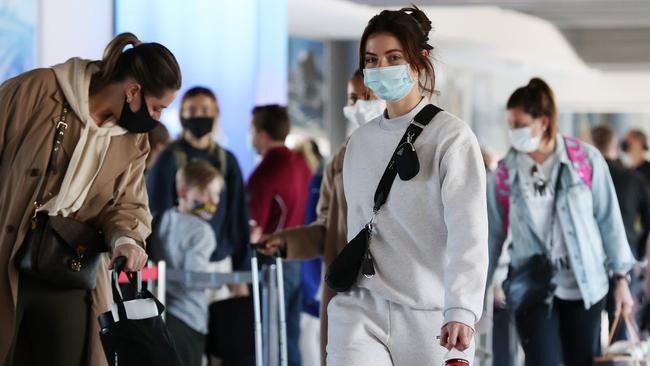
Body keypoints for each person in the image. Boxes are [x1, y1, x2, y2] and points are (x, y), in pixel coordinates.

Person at [0, 32, 181, 366]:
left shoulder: (134, 142)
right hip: (7, 258)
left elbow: (127, 205)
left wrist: (126, 239)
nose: (157, 119)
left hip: (70, 270)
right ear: (132, 91)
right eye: (157, 108)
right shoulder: (38, 90)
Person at [331, 6, 488, 365]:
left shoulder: (452, 138)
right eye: (371, 59)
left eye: (393, 57)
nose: (380, 68)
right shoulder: (359, 142)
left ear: (419, 61)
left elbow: (470, 230)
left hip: (429, 314)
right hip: (360, 308)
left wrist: (462, 309)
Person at [487, 78, 636, 366]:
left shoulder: (585, 160)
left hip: (585, 286)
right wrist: (477, 297)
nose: (512, 132)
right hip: (531, 287)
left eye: (519, 124)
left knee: (581, 360)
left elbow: (609, 221)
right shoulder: (506, 173)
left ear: (543, 122)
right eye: (509, 124)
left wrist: (621, 279)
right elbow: (492, 235)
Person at [258, 69, 382, 365]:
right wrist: (285, 242)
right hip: (349, 292)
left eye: (367, 96)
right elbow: (327, 230)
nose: (358, 104)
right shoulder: (341, 159)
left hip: (392, 291)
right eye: (353, 97)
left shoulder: (408, 152)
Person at [146, 86, 250, 298]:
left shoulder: (227, 161)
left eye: (205, 110)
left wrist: (241, 273)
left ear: (215, 114)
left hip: (219, 264)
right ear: (182, 115)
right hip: (177, 267)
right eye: (191, 110)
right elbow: (157, 215)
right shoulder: (168, 158)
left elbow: (238, 217)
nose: (198, 116)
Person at [247, 105, 313, 366]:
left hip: (271, 259)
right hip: (300, 257)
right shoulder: (303, 166)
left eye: (252, 131)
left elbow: (255, 230)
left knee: (270, 336)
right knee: (290, 336)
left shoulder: (266, 171)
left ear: (261, 134)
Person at [148, 160, 223, 366]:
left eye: (217, 194)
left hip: (158, 313)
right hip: (189, 318)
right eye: (207, 193)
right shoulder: (202, 231)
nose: (214, 201)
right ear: (183, 193)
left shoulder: (162, 219)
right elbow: (194, 279)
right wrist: (219, 280)